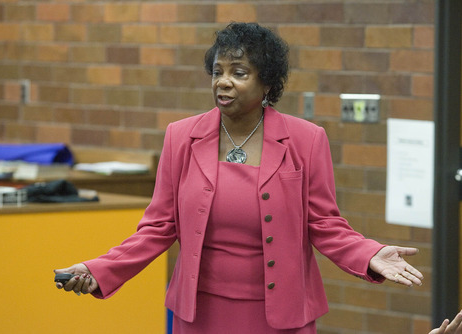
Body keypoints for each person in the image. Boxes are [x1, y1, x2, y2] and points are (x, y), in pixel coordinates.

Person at [54, 22, 424, 333]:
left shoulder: (307, 140)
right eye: (218, 72)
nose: (224, 82)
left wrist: (369, 253)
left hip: (279, 315)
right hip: (200, 312)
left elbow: (325, 223)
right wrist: (100, 269)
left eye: (239, 73)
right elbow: (158, 226)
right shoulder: (181, 137)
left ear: (268, 84)